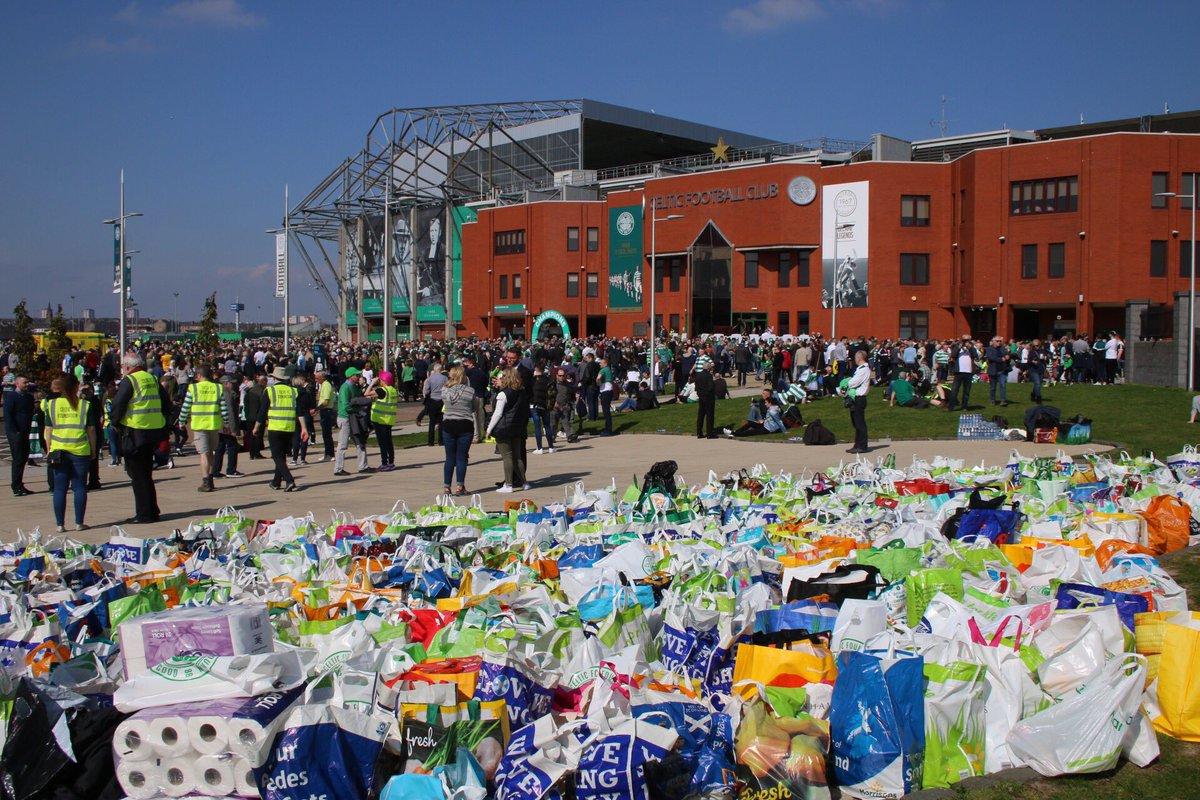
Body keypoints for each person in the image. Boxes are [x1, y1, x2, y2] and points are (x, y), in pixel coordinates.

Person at [108, 353, 170, 524]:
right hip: (153, 431)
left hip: (135, 432)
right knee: (146, 473)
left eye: (122, 367)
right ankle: (152, 510)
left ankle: (144, 514)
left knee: (137, 475)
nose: (122, 370)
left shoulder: (130, 380)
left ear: (128, 367)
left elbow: (118, 404)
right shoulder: (151, 378)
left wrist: (114, 422)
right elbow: (166, 403)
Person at [43, 374, 95, 532]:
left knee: (59, 489)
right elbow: (91, 430)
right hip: (80, 450)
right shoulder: (85, 405)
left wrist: (49, 449)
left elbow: (48, 430)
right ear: (75, 387)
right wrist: (93, 450)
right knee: (79, 487)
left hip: (59, 450)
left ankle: (60, 525)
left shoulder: (51, 404)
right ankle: (79, 523)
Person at [177, 365, 228, 493]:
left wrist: (182, 421)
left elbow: (186, 406)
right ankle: (210, 478)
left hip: (200, 424)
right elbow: (223, 408)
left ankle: (206, 481)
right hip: (214, 424)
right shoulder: (217, 387)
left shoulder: (193, 388)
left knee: (203, 453)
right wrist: (226, 423)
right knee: (210, 452)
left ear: (199, 376)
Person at [254, 366, 306, 492]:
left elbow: (262, 412)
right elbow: (299, 411)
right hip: (289, 427)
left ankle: (289, 479)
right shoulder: (293, 391)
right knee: (281, 456)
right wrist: (304, 428)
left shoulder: (270, 391)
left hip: (275, 427)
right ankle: (276, 482)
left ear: (274, 378)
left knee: (276, 456)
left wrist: (256, 427)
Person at [486, 367, 529, 493]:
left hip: (504, 427)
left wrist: (489, 429)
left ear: (507, 378)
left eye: (502, 377)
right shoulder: (521, 391)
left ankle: (509, 484)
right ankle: (524, 482)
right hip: (517, 426)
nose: (499, 379)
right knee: (517, 456)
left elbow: (497, 414)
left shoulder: (503, 394)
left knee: (507, 457)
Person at [439, 365, 475, 495]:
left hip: (449, 424)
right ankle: (460, 486)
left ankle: (446, 487)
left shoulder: (444, 390)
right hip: (465, 424)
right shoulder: (470, 391)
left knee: (449, 458)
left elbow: (445, 403)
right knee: (461, 458)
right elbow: (473, 408)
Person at [334, 367, 371, 475]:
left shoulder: (354, 387)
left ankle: (363, 466)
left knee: (360, 441)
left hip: (353, 417)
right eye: (357, 375)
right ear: (351, 376)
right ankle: (338, 469)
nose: (359, 376)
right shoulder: (345, 388)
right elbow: (346, 406)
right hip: (345, 417)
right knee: (343, 444)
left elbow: (360, 396)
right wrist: (358, 409)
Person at [3, 375, 35, 496]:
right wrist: (14, 431)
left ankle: (20, 484)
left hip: (25, 430)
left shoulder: (28, 397)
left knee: (23, 457)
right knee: (18, 458)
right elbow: (8, 415)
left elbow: (30, 412)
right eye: (24, 382)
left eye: (27, 382)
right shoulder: (11, 396)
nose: (27, 384)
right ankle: (16, 486)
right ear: (17, 384)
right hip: (15, 432)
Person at [212, 374, 244, 479]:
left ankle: (215, 471)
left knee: (220, 448)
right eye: (232, 383)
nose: (233, 385)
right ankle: (231, 470)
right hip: (226, 426)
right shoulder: (227, 394)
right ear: (226, 383)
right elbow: (230, 412)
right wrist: (233, 428)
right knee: (233, 447)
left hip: (219, 425)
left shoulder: (217, 392)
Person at [369, 370, 399, 471]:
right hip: (389, 420)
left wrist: (372, 382)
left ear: (383, 380)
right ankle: (391, 462)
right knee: (389, 442)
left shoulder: (382, 390)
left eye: (380, 379)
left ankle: (384, 463)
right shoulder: (393, 390)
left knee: (382, 443)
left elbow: (366, 393)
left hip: (380, 420)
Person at [846, 349, 871, 454]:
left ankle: (862, 445)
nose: (854, 359)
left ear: (859, 358)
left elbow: (853, 382)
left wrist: (847, 382)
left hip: (859, 398)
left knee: (859, 423)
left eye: (855, 358)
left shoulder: (863, 369)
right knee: (856, 422)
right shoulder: (860, 369)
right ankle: (857, 444)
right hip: (856, 398)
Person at [290, 371, 315, 466]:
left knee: (296, 437)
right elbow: (310, 404)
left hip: (295, 416)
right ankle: (303, 458)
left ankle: (294, 458)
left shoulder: (292, 393)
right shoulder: (306, 393)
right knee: (304, 437)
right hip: (305, 415)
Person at [947, 336, 978, 411]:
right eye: (964, 340)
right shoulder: (957, 347)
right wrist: (959, 347)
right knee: (954, 390)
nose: (965, 342)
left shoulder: (972, 348)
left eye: (967, 340)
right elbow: (953, 355)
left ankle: (964, 406)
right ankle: (951, 407)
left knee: (966, 391)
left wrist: (969, 347)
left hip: (968, 372)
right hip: (959, 372)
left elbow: (975, 356)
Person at [530, 364, 556, 453]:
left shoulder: (533, 380)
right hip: (545, 405)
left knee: (537, 427)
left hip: (535, 405)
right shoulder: (548, 380)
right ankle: (551, 447)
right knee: (547, 426)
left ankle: (539, 448)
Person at [551, 367, 580, 443]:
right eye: (560, 375)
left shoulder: (567, 384)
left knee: (566, 422)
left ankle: (570, 436)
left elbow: (572, 391)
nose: (561, 377)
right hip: (554, 406)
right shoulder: (553, 384)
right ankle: (552, 437)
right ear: (556, 375)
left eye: (563, 375)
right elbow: (549, 395)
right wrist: (554, 403)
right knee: (553, 423)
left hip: (565, 406)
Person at [422, 362, 448, 446]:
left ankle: (430, 442)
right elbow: (447, 388)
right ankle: (441, 441)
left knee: (432, 422)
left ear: (434, 370)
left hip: (432, 400)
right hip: (441, 400)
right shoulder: (445, 378)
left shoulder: (429, 379)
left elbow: (426, 391)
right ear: (441, 370)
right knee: (441, 422)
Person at [315, 369, 336, 462]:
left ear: (322, 377)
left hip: (327, 411)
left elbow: (326, 401)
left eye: (317, 378)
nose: (316, 380)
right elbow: (318, 397)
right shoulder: (322, 385)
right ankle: (327, 453)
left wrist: (316, 409)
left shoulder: (326, 385)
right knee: (325, 434)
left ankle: (330, 454)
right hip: (323, 411)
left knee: (327, 434)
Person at [694, 356, 716, 439]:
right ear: (709, 368)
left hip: (701, 396)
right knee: (709, 415)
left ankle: (699, 432)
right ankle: (709, 433)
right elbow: (710, 387)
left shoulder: (698, 375)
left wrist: (700, 394)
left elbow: (696, 387)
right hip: (708, 397)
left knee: (701, 415)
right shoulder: (709, 376)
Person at [984, 336, 1010, 406]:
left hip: (1002, 370)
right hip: (993, 370)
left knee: (1003, 385)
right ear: (993, 341)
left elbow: (1006, 356)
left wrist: (1007, 356)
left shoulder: (1003, 348)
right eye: (997, 341)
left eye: (1000, 341)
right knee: (993, 387)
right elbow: (991, 357)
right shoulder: (989, 349)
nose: (999, 342)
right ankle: (992, 400)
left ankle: (1003, 400)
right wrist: (1001, 359)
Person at [597, 356, 615, 436]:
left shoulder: (603, 370)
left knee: (606, 411)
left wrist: (598, 383)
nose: (599, 364)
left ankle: (608, 430)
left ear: (605, 363)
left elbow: (598, 378)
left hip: (605, 391)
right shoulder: (609, 370)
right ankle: (608, 428)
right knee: (607, 411)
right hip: (610, 390)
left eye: (601, 363)